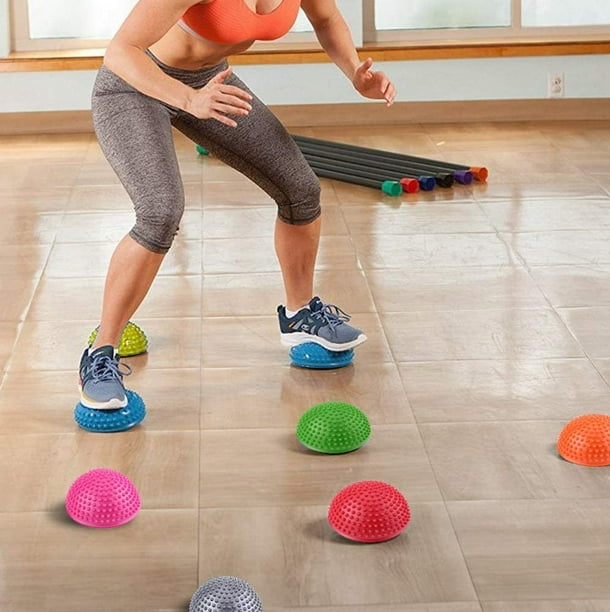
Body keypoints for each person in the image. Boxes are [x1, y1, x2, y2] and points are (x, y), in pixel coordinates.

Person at [79, 0, 397, 410]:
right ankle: (100, 354)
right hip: (133, 86)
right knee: (160, 211)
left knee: (300, 189)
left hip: (210, 84)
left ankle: (300, 316)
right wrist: (187, 99)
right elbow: (121, 51)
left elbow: (326, 17)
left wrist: (355, 72)